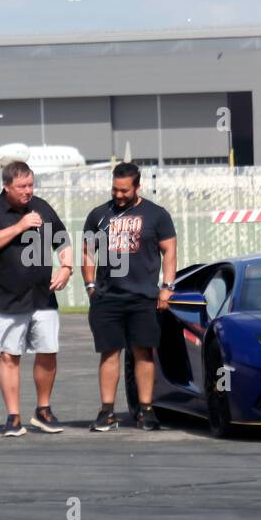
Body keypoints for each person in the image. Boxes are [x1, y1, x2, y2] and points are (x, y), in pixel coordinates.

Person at [0, 161, 74, 437]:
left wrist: (66, 267)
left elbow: (62, 239)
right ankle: (13, 416)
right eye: (22, 186)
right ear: (6, 186)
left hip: (42, 296)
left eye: (31, 185)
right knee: (9, 356)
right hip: (3, 299)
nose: (28, 191)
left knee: (48, 351)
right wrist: (19, 226)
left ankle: (43, 410)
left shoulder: (42, 207)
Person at [81, 162, 177, 431]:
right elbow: (87, 252)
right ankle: (107, 412)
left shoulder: (156, 215)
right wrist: (90, 287)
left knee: (143, 353)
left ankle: (145, 410)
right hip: (107, 297)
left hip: (143, 297)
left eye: (124, 190)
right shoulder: (99, 215)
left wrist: (167, 286)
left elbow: (169, 250)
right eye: (115, 189)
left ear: (137, 187)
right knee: (109, 353)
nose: (119, 195)